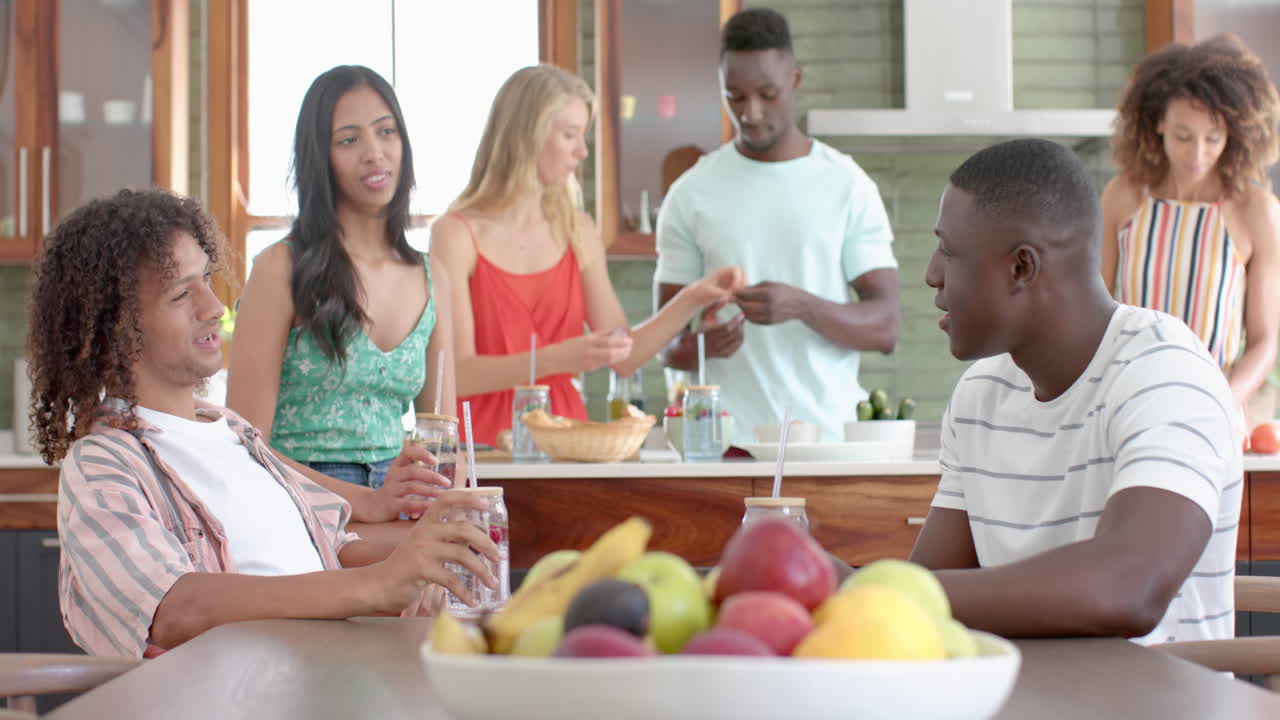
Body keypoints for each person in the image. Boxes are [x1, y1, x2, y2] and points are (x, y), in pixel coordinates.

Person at [26, 189, 498, 657]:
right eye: (179, 294)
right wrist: (377, 585)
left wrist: (430, 553)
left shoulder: (233, 433)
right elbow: (170, 608)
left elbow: (330, 544)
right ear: (116, 330)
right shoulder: (104, 464)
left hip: (328, 676)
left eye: (206, 279)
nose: (213, 306)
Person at [911, 138, 1242, 644]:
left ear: (1021, 267)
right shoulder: (981, 395)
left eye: (949, 252)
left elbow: (1131, 588)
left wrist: (871, 591)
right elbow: (923, 603)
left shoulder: (1165, 373)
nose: (932, 274)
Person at [431, 64, 742, 445]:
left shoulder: (578, 229)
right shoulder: (455, 234)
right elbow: (458, 374)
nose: (582, 151)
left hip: (566, 445)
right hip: (480, 449)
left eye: (583, 135)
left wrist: (694, 296)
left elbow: (624, 356)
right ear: (527, 136)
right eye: (569, 135)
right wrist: (554, 360)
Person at [654, 8, 900, 445]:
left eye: (767, 94)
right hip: (721, 446)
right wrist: (704, 346)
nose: (750, 113)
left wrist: (804, 306)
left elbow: (886, 327)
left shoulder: (846, 185)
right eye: (735, 95)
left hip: (826, 443)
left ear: (795, 80)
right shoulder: (691, 192)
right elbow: (664, 345)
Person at [227, 65, 456, 520]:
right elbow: (242, 445)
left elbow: (444, 441)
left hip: (398, 505)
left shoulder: (432, 277)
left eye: (386, 132)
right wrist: (368, 502)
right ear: (321, 158)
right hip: (297, 508)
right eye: (349, 140)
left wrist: (440, 514)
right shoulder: (280, 269)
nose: (375, 153)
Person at [1101, 33, 1280, 416]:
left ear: (1233, 133)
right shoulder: (1123, 197)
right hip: (1132, 400)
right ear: (1159, 122)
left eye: (1212, 138)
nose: (1197, 154)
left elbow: (1264, 342)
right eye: (1183, 136)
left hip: (1217, 403)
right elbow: (1092, 312)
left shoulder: (1257, 211)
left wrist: (1227, 400)